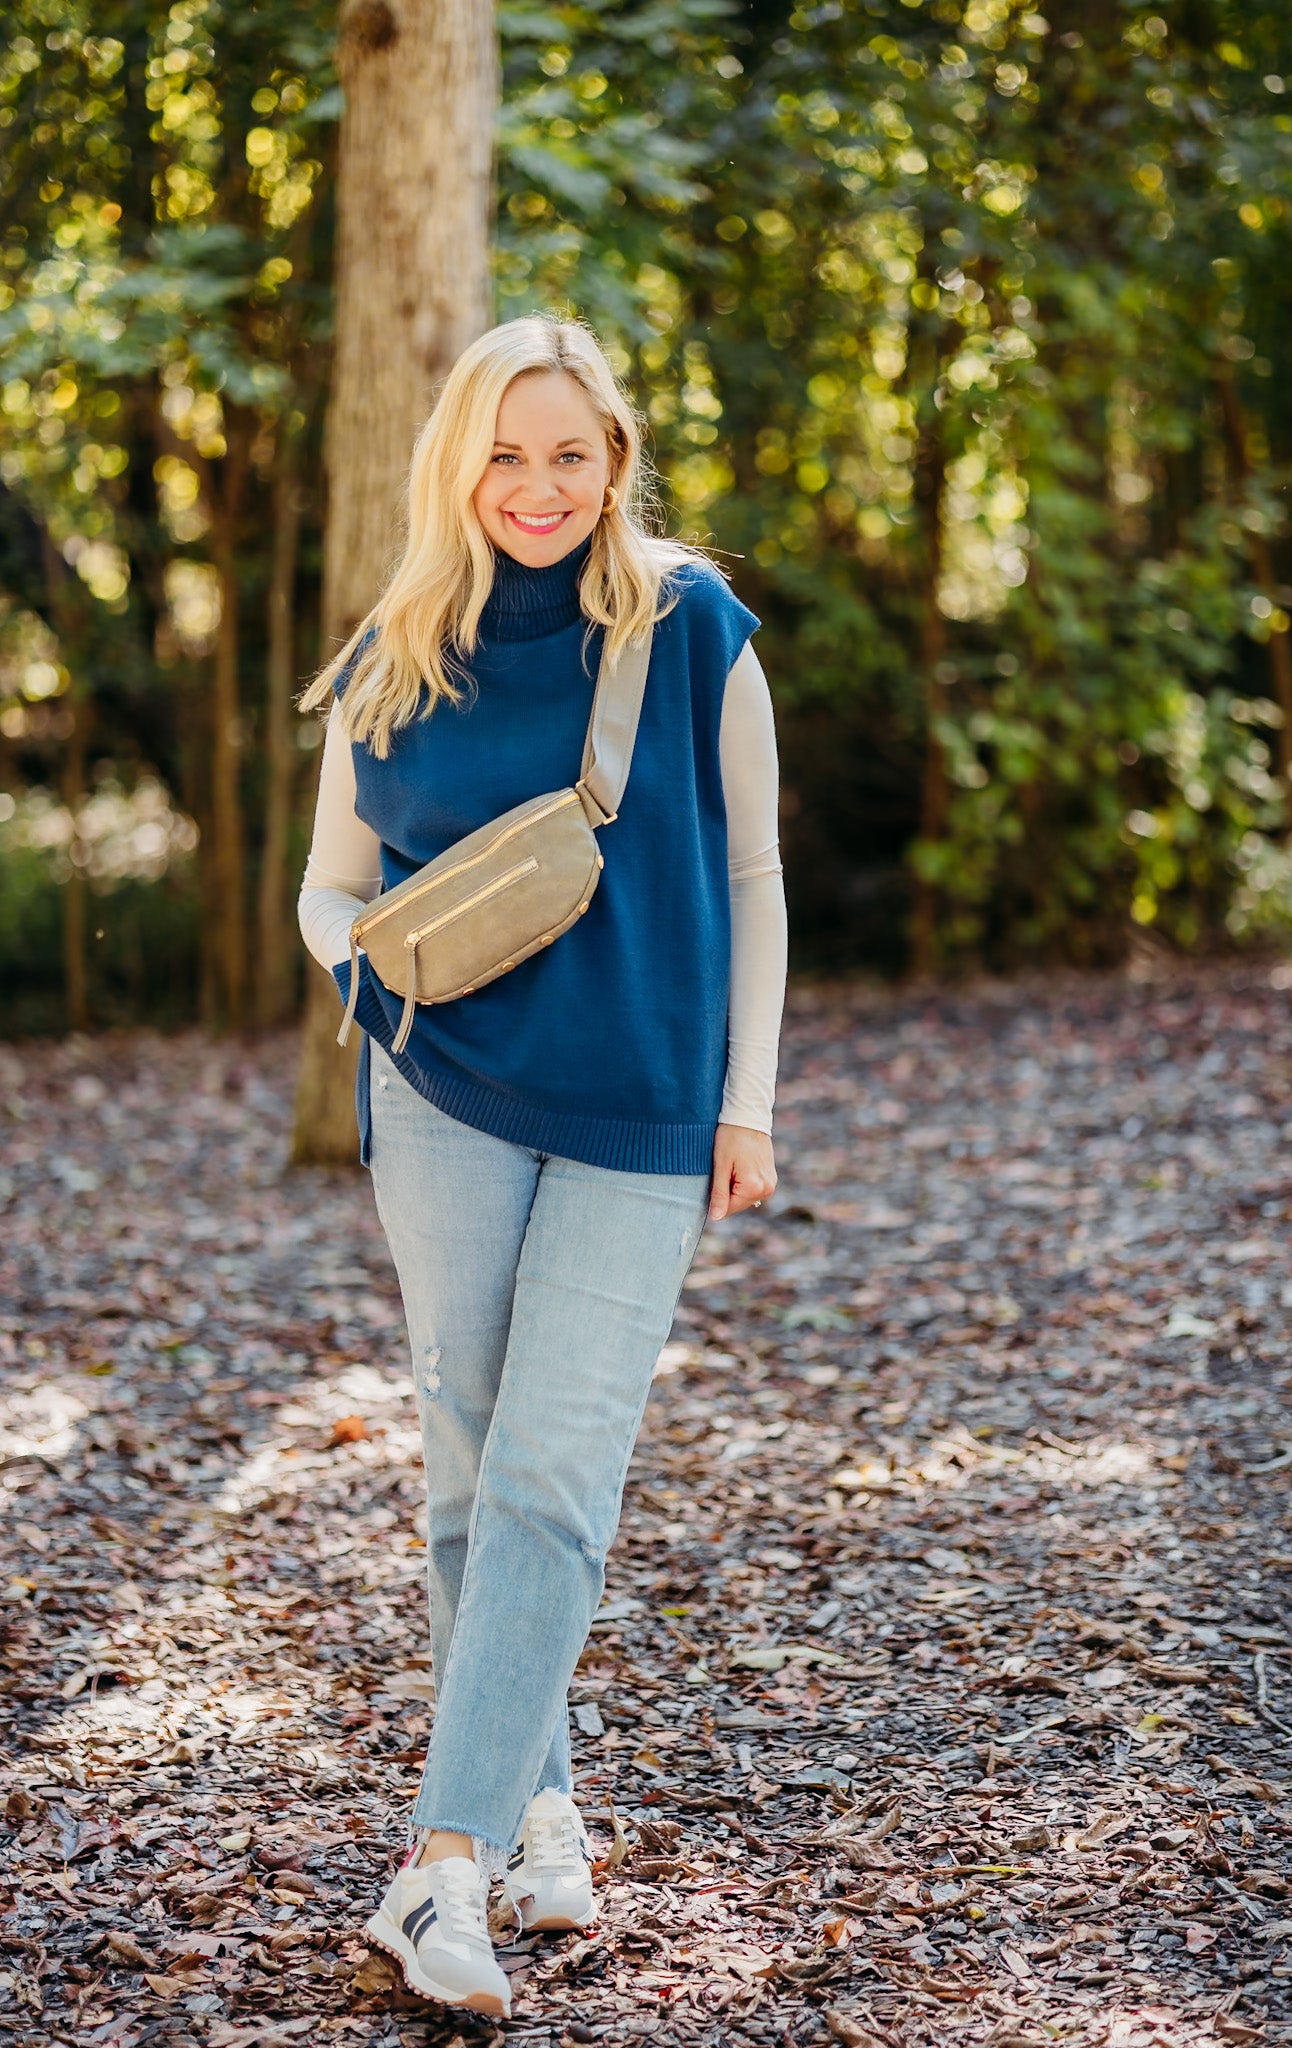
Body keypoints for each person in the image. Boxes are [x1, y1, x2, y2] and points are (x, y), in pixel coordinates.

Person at [295, 312, 786, 2017]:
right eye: (506, 452)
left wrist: (750, 1101)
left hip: (645, 1103)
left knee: (553, 1477)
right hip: (441, 1097)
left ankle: (438, 1871)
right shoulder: (397, 648)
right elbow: (328, 883)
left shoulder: (692, 623)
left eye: (570, 453)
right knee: (466, 1476)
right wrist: (357, 974)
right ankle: (539, 1811)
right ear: (459, 461)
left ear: (616, 462)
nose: (538, 485)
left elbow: (755, 878)